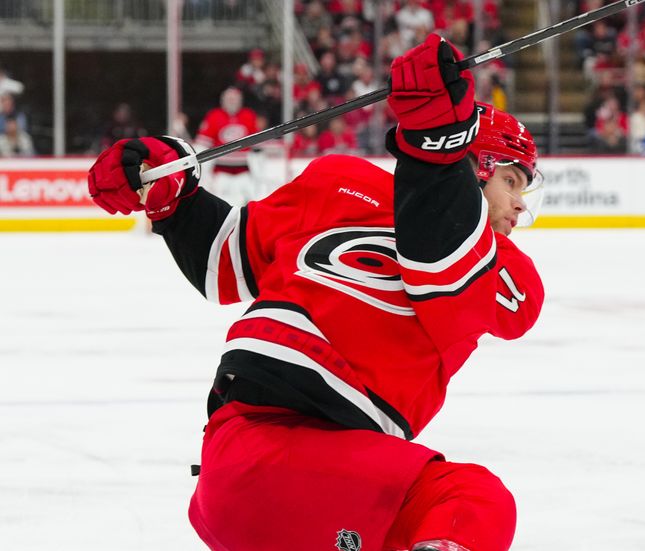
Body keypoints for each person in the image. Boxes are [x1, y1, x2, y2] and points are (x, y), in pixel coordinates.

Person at [86, 34, 544, 551]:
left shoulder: (509, 274)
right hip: (251, 443)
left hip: (327, 478)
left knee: (464, 510)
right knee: (469, 504)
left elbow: (437, 261)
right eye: (511, 180)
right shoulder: (337, 182)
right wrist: (168, 195)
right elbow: (224, 261)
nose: (520, 205)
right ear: (475, 165)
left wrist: (437, 145)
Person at [195, 87, 261, 206]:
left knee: (250, 200)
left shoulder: (248, 115)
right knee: (219, 203)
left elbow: (257, 146)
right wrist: (203, 172)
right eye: (229, 99)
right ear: (223, 100)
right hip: (221, 171)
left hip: (243, 170)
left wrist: (258, 168)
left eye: (235, 99)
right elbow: (202, 145)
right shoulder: (214, 116)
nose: (232, 102)